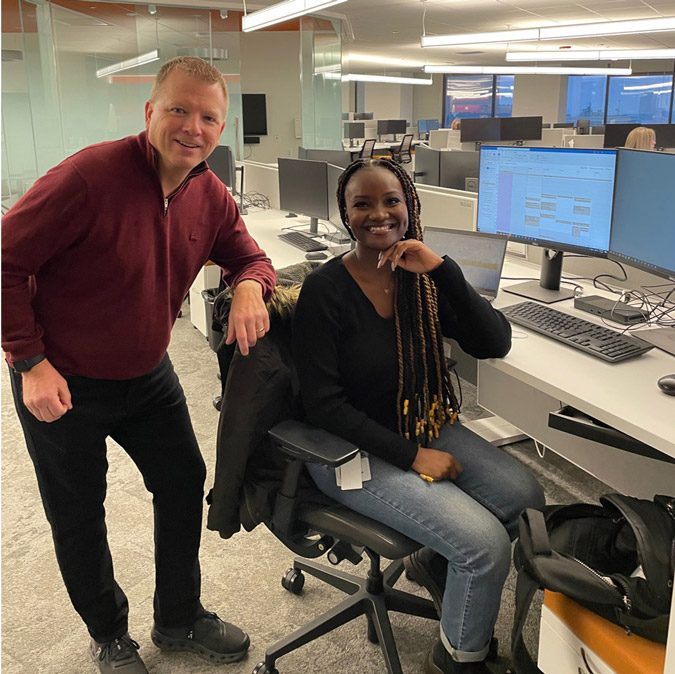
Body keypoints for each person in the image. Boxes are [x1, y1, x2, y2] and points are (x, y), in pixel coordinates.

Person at [1, 56, 276, 674]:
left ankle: (178, 617)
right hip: (63, 377)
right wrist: (29, 361)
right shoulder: (87, 178)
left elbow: (252, 258)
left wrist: (251, 285)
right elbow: (6, 262)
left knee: (181, 483)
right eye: (179, 109)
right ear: (150, 111)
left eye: (209, 117)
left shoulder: (208, 193)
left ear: (221, 127)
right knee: (78, 511)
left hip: (148, 375)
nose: (193, 127)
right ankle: (107, 632)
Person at [291, 158, 545, 674]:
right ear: (345, 213)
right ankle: (457, 659)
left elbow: (493, 342)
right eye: (362, 203)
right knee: (484, 545)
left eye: (391, 201)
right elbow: (322, 405)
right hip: (347, 450)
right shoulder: (326, 290)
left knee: (526, 499)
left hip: (421, 422)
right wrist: (414, 457)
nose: (378, 214)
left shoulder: (419, 281)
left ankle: (432, 558)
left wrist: (442, 271)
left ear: (410, 207)